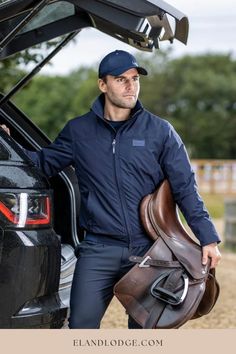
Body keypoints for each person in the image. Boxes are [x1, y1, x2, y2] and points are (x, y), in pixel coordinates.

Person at [0, 50, 221, 329]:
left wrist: (208, 239)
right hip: (98, 249)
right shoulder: (78, 131)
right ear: (103, 85)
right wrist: (10, 148)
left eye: (135, 79)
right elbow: (43, 164)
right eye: (121, 79)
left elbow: (185, 188)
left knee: (147, 333)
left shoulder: (160, 131)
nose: (131, 86)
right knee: (81, 326)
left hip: (150, 251)